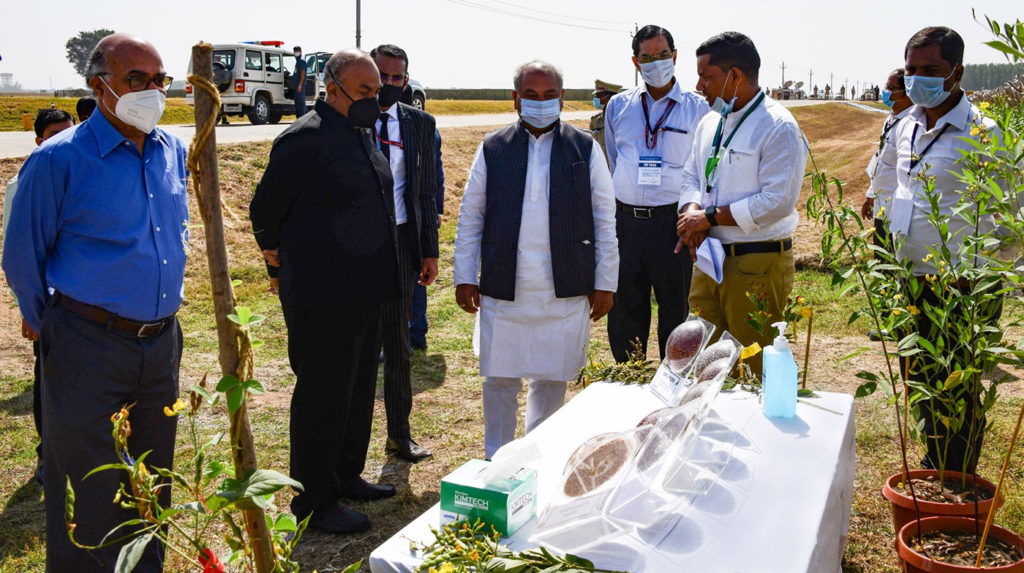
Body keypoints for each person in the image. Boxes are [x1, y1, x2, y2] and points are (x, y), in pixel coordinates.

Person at [3, 33, 186, 571]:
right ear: (98, 84)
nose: (151, 91)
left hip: (159, 343)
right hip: (87, 340)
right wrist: (57, 327)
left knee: (152, 474)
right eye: (136, 80)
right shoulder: (59, 160)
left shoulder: (170, 149)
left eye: (159, 80)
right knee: (90, 479)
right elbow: (22, 256)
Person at [249, 49, 399, 535]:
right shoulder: (304, 140)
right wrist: (276, 255)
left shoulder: (360, 134)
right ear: (331, 87)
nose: (375, 100)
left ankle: (346, 475)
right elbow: (265, 210)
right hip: (323, 294)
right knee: (323, 397)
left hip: (367, 289)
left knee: (356, 392)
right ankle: (315, 499)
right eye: (365, 91)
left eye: (377, 92)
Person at [454, 61, 618, 459]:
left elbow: (604, 218)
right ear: (516, 98)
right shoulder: (493, 147)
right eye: (531, 95)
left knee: (551, 376)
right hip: (505, 280)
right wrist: (464, 275)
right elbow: (471, 215)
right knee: (499, 377)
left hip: (563, 284)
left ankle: (537, 457)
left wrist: (605, 281)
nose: (540, 102)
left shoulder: (584, 148)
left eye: (549, 95)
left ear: (562, 98)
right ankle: (498, 455)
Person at [890, 26, 1002, 475]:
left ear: (956, 72)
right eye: (911, 70)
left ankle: (957, 474)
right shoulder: (906, 125)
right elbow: (893, 187)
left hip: (962, 285)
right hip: (908, 279)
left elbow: (1010, 213)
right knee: (917, 376)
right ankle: (931, 463)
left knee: (957, 384)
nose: (918, 79)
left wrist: (980, 274)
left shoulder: (984, 132)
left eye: (930, 70)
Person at [676, 31, 807, 377]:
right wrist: (691, 210)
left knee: (752, 364)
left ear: (734, 76)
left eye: (707, 76)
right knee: (702, 360)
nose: (699, 84)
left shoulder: (777, 126)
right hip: (709, 258)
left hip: (755, 262)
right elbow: (692, 176)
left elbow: (776, 201)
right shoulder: (710, 122)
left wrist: (708, 217)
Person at [603, 25, 709, 363]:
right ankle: (628, 375)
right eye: (647, 58)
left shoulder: (698, 109)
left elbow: (705, 170)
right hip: (627, 223)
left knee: (675, 307)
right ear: (636, 62)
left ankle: (674, 378)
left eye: (662, 56)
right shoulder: (619, 106)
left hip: (673, 224)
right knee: (625, 307)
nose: (655, 63)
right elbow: (614, 159)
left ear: (675, 56)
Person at [369, 43, 440, 463]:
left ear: (406, 81)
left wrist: (427, 251)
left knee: (399, 347)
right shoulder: (350, 121)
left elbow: (425, 193)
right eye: (382, 77)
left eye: (397, 78)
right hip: (355, 249)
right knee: (359, 350)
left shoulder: (419, 125)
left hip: (400, 243)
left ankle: (400, 435)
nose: (390, 85)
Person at [2, 107, 75, 487]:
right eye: (54, 135)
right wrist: (30, 313)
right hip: (47, 305)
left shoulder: (79, 176)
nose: (63, 141)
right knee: (48, 383)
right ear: (38, 141)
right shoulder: (24, 184)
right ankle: (48, 456)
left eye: (69, 133)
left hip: (82, 305)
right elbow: (18, 254)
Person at [860, 68, 912, 341]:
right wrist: (870, 194)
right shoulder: (892, 120)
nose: (886, 92)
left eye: (892, 87)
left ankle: (901, 323)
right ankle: (891, 321)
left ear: (907, 92)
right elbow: (881, 161)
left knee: (896, 266)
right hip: (882, 204)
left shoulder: (909, 125)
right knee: (882, 264)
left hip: (898, 209)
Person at [409, 128, 445, 351]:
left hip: (416, 214)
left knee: (417, 272)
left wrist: (435, 211)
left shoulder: (424, 129)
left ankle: (415, 331)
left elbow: (434, 175)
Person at [589, 79, 621, 158]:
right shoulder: (595, 120)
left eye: (598, 95)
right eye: (595, 96)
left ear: (611, 97)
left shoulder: (621, 118)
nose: (595, 98)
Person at [292, 45, 307, 118]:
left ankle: (301, 117)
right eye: (295, 51)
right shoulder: (297, 61)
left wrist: (300, 85)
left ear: (300, 52)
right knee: (297, 102)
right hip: (296, 85)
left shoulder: (301, 61)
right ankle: (299, 117)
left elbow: (303, 73)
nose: (296, 53)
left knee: (300, 102)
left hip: (299, 85)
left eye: (297, 51)